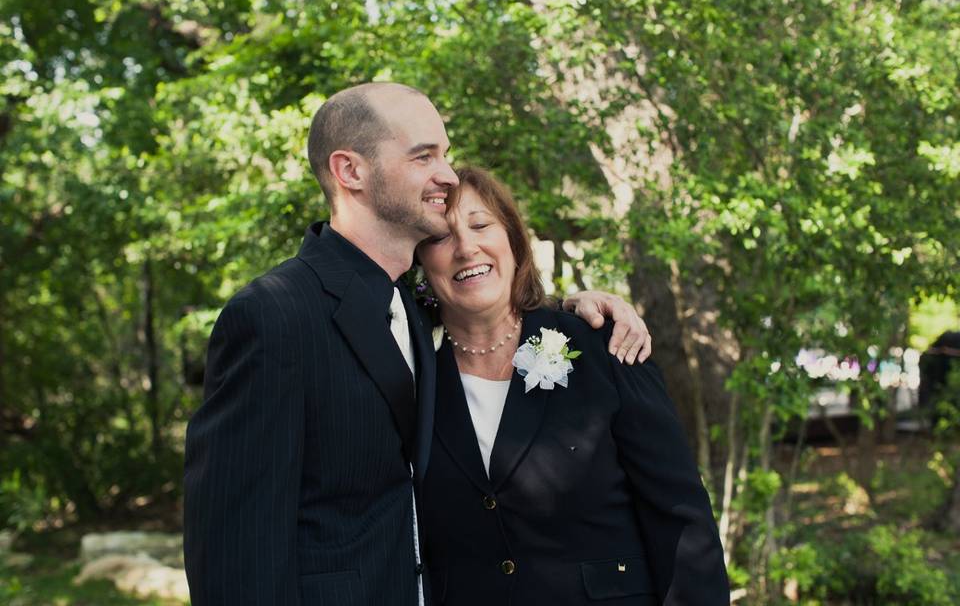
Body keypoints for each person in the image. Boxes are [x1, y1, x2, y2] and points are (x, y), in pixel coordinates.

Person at [182, 82, 651, 606]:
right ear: (350, 171)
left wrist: (579, 307)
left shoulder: (406, 308)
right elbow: (234, 552)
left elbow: (492, 305)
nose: (447, 176)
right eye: (424, 155)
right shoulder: (273, 315)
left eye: (445, 156)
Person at [416, 166, 729, 605]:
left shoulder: (604, 346)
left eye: (480, 224)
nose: (467, 248)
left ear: (513, 240)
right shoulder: (413, 380)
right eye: (439, 238)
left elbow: (680, 519)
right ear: (419, 263)